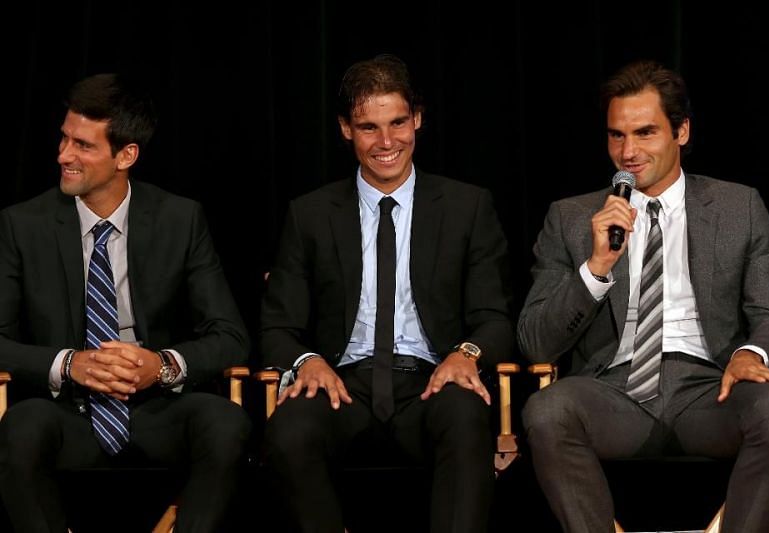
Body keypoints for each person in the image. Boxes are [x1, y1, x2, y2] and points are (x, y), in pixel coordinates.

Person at [518, 58, 769, 533]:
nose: (628, 152)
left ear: (681, 132)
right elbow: (536, 343)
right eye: (616, 135)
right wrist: (596, 268)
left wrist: (751, 354)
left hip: (710, 389)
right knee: (546, 409)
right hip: (613, 390)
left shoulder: (739, 207)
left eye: (645, 133)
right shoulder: (570, 217)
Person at [261, 54, 514, 533]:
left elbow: (495, 317)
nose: (386, 142)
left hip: (430, 381)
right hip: (342, 384)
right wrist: (307, 361)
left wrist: (466, 354)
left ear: (417, 119)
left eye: (398, 122)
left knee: (465, 416)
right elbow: (276, 327)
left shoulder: (467, 207)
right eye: (368, 127)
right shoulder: (310, 214)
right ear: (345, 129)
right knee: (289, 429)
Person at [0, 73, 251, 532]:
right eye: (63, 138)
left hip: (157, 409)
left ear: (126, 155)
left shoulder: (180, 218)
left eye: (83, 145)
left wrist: (162, 365)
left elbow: (231, 336)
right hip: (66, 412)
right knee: (20, 428)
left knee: (225, 423)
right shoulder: (23, 225)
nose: (63, 155)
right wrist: (68, 364)